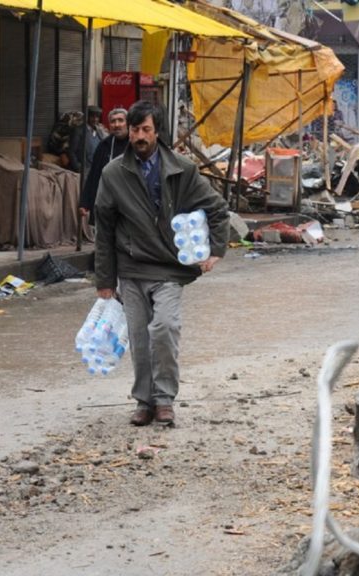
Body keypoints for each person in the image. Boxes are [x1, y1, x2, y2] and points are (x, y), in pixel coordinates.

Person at [94, 100, 230, 427]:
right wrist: (105, 280)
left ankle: (165, 398)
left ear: (157, 132)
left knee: (165, 329)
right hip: (131, 268)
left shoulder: (182, 169)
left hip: (169, 268)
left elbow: (217, 208)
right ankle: (144, 401)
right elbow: (104, 228)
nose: (139, 136)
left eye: (146, 130)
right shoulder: (113, 173)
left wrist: (215, 251)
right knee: (140, 338)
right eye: (134, 129)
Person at [79, 108, 129, 226]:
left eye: (120, 120)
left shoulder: (136, 145)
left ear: (128, 123)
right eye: (113, 121)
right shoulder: (104, 146)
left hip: (129, 202)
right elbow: (94, 175)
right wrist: (85, 202)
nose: (116, 125)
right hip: (107, 201)